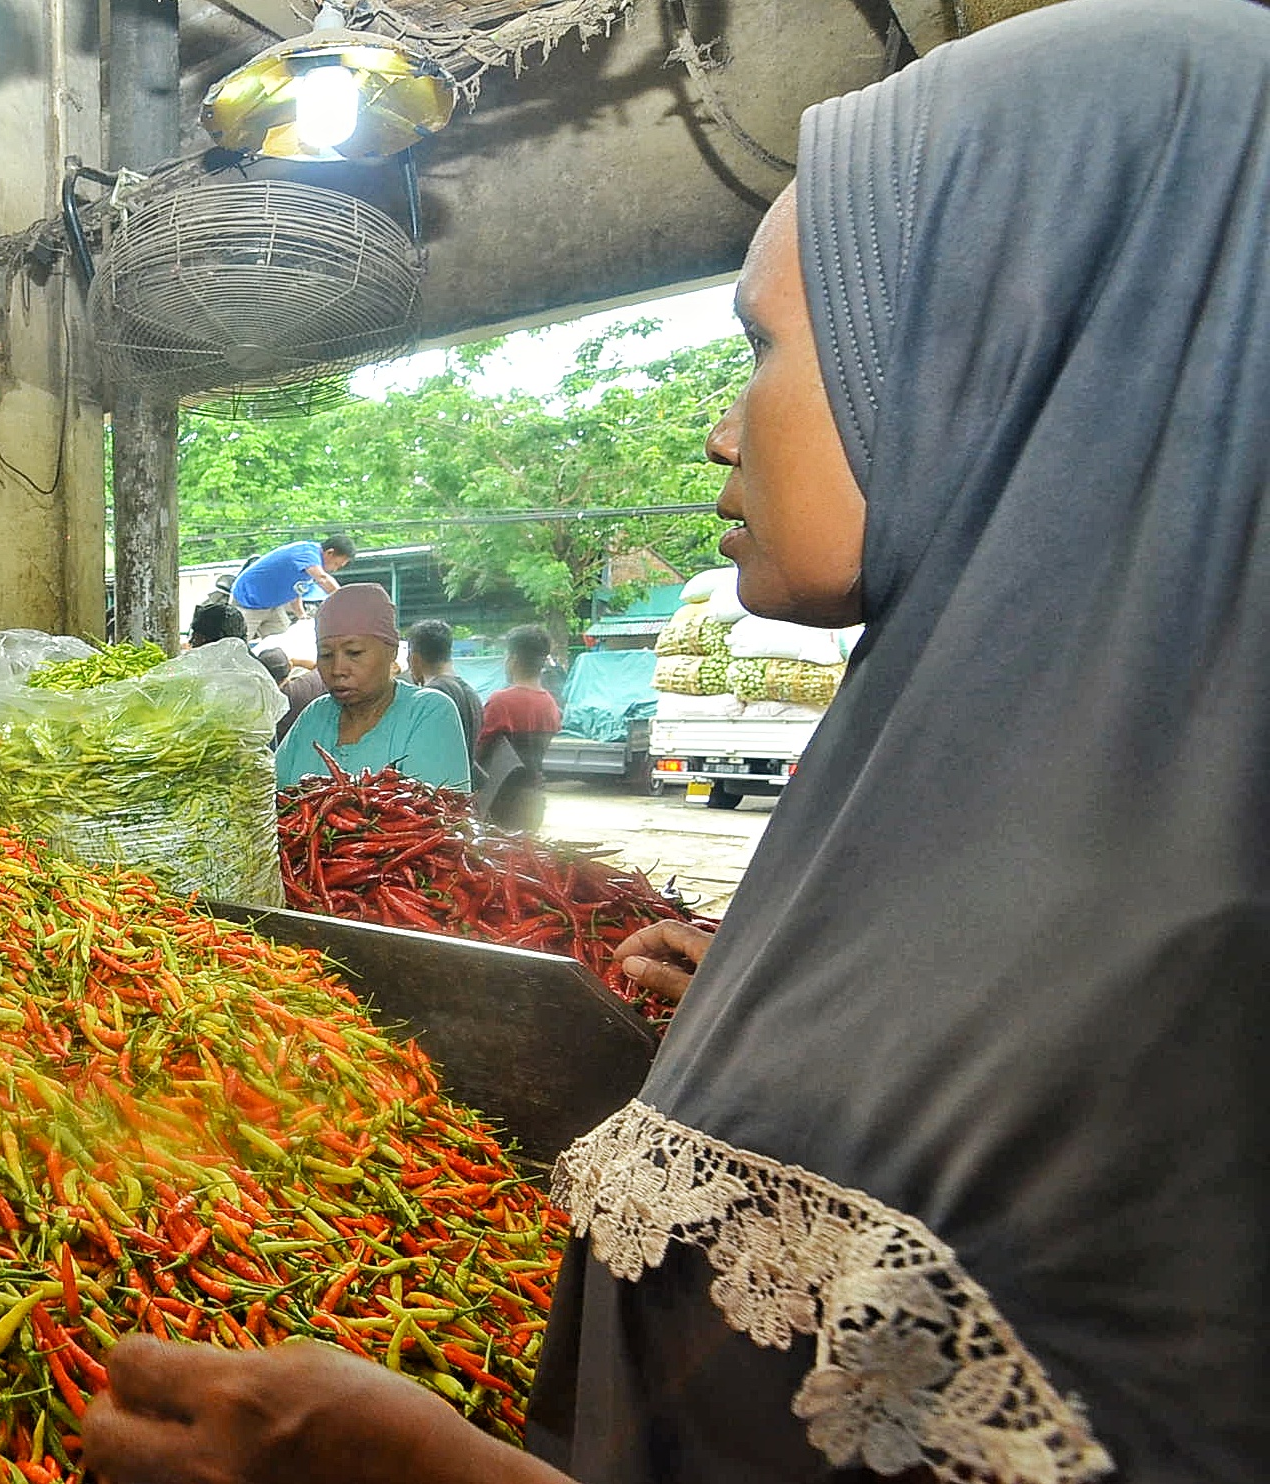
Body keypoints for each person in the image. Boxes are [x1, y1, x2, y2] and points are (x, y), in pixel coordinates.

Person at [85, 3, 1270, 1480]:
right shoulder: (963, 818)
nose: (719, 431)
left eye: (763, 343)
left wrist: (424, 1473)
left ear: (997, 350)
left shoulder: (1191, 988)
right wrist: (799, 1014)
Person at [273, 583, 469, 790]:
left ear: (391, 651)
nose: (338, 669)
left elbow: (435, 814)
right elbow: (269, 798)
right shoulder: (315, 714)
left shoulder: (428, 711)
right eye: (326, 654)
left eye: (354, 652)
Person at [477, 624, 563, 832]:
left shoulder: (501, 701)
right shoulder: (549, 703)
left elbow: (478, 752)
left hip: (502, 802)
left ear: (513, 659)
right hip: (534, 798)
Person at [404, 619, 484, 787]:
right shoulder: (471, 694)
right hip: (462, 795)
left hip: (438, 797)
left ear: (413, 659)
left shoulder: (430, 700)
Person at [230, 534, 355, 640]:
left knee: (284, 643)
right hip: (248, 601)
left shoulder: (309, 566)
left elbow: (296, 589)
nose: (335, 569)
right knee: (237, 646)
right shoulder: (307, 553)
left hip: (272, 605)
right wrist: (344, 601)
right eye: (336, 564)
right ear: (330, 553)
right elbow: (323, 579)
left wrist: (301, 614)